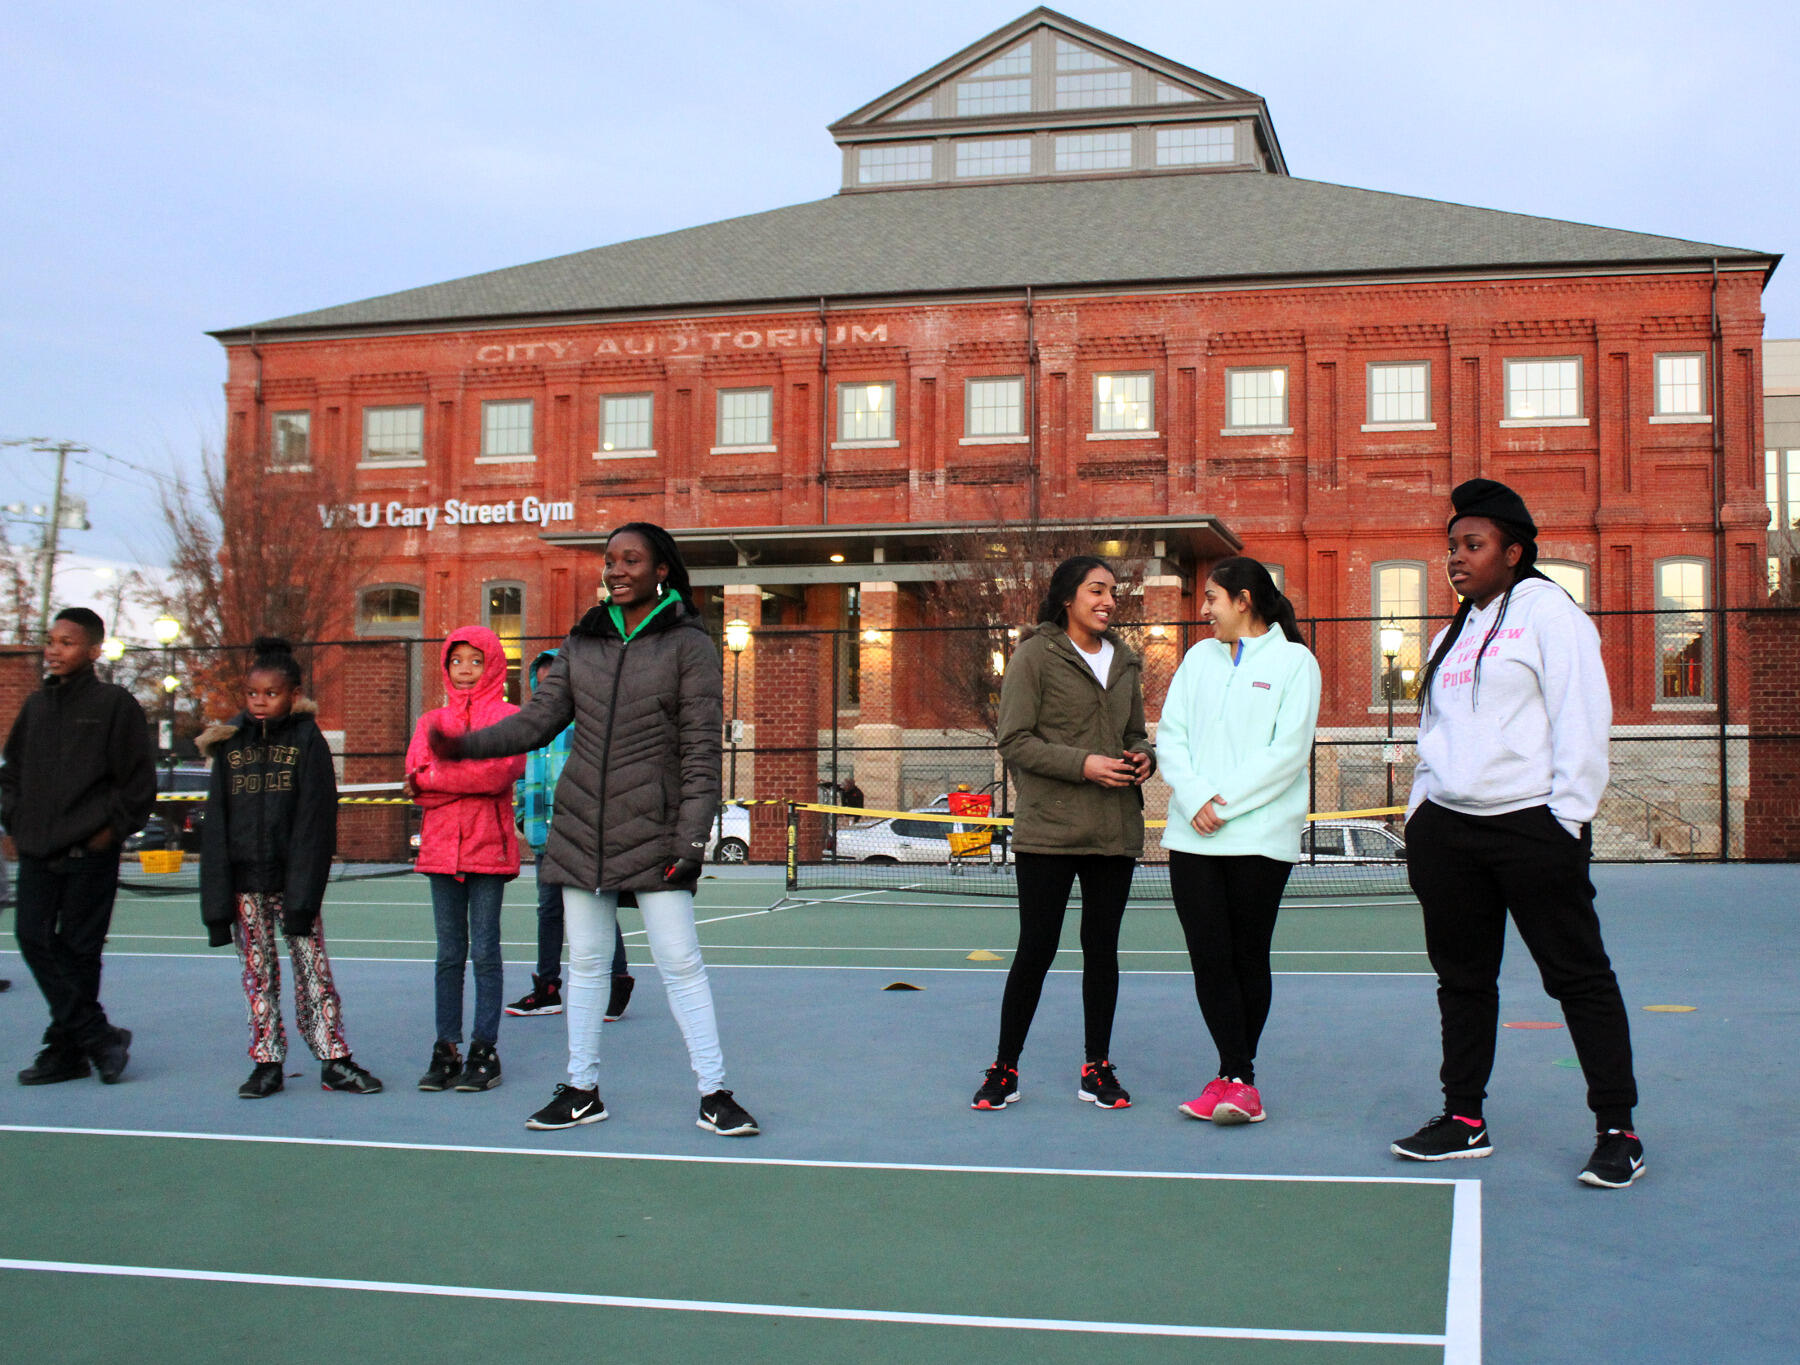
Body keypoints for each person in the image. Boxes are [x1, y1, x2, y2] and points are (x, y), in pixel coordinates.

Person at [431, 522, 758, 1137]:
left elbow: (699, 754)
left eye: (630, 560)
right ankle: (582, 1088)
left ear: (661, 569)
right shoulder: (584, 641)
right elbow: (536, 722)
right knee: (584, 963)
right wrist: (468, 744)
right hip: (581, 829)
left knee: (680, 961)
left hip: (657, 830)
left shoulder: (689, 644)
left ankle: (715, 1092)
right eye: (610, 560)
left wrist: (691, 839)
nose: (616, 570)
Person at [1392, 478, 1643, 1190]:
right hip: (1452, 833)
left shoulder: (1551, 615)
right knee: (1463, 981)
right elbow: (1431, 733)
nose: (1457, 559)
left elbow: (1583, 718)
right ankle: (1464, 1118)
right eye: (1451, 547)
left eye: (1472, 545)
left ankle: (1618, 1129)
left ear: (1514, 550)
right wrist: (1422, 814)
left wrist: (1565, 818)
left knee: (1579, 977)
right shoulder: (1452, 634)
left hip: (1532, 827)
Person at [973, 555, 1154, 1112]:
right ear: (1068, 598)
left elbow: (1136, 733)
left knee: (1102, 952)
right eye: (1096, 590)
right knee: (1037, 948)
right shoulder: (1033, 655)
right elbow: (1014, 740)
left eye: (1113, 592)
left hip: (1113, 831)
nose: (1107, 601)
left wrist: (1145, 757)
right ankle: (1005, 1068)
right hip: (1049, 830)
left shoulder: (1125, 661)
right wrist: (1085, 765)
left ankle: (1096, 1067)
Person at [1156, 558, 1320, 1126]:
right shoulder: (1197, 660)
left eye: (1212, 599)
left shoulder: (1296, 662)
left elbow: (1288, 752)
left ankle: (1237, 1079)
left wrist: (1221, 805)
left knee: (1247, 955)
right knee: (1208, 957)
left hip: (1259, 839)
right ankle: (1235, 1077)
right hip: (1192, 835)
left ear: (1243, 600)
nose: (1204, 611)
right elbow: (1170, 736)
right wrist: (1196, 798)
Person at [197, 637, 382, 1097]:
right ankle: (266, 1062)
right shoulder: (228, 744)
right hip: (244, 886)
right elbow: (216, 824)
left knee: (313, 971)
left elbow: (315, 822)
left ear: (293, 694)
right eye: (252, 694)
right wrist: (217, 902)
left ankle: (334, 1058)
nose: (260, 702)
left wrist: (303, 894)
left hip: (292, 883)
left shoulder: (307, 741)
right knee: (258, 976)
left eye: (272, 694)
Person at [1, 607, 154, 1084]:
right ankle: (99, 1036)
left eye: (66, 642)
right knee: (33, 937)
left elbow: (137, 784)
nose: (54, 649)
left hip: (90, 855)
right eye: (51, 641)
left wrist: (107, 833)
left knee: (79, 952)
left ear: (93, 650)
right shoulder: (36, 708)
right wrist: (16, 824)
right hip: (38, 853)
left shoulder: (115, 705)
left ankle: (63, 1051)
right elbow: (11, 776)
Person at [405, 626, 525, 1093]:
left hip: (487, 850)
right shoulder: (430, 721)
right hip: (440, 851)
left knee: (485, 951)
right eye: (457, 661)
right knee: (449, 954)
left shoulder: (509, 717)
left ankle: (483, 1050)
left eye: (476, 660)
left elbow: (498, 775)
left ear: (493, 664)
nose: (466, 670)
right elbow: (416, 781)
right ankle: (446, 1048)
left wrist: (440, 778)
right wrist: (445, 779)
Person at [506, 647, 634, 1022]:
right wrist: (520, 816)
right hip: (545, 839)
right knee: (548, 911)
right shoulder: (531, 728)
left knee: (597, 908)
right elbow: (519, 775)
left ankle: (617, 981)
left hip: (583, 838)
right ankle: (546, 990)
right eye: (543, 686)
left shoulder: (589, 726)